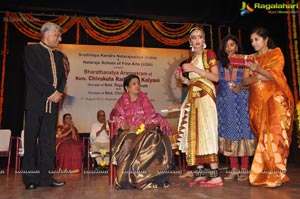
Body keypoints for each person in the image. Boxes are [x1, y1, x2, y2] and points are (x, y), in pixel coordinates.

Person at [242, 27, 294, 188]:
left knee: (275, 136)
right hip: (256, 103)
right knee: (262, 140)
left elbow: (275, 75)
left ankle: (276, 175)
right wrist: (256, 75)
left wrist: (258, 71)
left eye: (256, 39)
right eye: (251, 40)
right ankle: (264, 175)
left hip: (275, 99)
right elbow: (244, 81)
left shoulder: (276, 53)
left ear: (265, 39)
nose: (253, 43)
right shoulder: (249, 58)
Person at [175, 27, 223, 187]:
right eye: (194, 38)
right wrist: (183, 80)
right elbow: (192, 83)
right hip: (194, 98)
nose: (197, 40)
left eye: (200, 37)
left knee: (207, 135)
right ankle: (201, 174)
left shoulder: (209, 54)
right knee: (196, 136)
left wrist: (195, 70)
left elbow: (216, 77)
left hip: (205, 99)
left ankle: (216, 177)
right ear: (190, 42)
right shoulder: (191, 59)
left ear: (204, 40)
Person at [22, 22, 67, 189]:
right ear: (47, 34)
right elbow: (33, 73)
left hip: (52, 105)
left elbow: (63, 77)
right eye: (57, 35)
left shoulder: (58, 56)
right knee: (31, 141)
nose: (59, 38)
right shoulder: (31, 50)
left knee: (48, 142)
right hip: (35, 103)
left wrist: (59, 92)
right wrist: (51, 92)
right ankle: (31, 180)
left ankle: (46, 178)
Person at [110, 74, 174, 189]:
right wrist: (127, 126)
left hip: (144, 130)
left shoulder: (144, 99)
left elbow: (152, 115)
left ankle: (151, 177)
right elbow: (115, 116)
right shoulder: (121, 102)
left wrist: (150, 124)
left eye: (138, 83)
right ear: (127, 88)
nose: (137, 86)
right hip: (128, 131)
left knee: (155, 138)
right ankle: (129, 178)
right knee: (130, 140)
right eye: (134, 84)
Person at [216, 34, 256, 181]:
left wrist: (243, 87)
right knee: (229, 133)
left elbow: (254, 80)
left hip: (242, 101)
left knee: (244, 133)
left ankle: (244, 169)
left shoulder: (245, 61)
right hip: (225, 104)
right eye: (226, 46)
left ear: (237, 46)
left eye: (231, 45)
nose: (229, 49)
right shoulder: (219, 64)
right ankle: (234, 168)